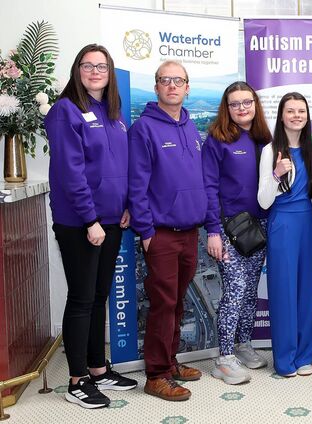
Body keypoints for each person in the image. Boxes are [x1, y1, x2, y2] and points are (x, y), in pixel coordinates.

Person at [45, 44, 137, 409]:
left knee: (100, 296)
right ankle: (77, 379)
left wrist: (125, 206)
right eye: (88, 65)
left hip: (112, 220)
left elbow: (122, 165)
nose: (95, 70)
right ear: (77, 69)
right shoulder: (65, 111)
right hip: (81, 223)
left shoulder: (113, 114)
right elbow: (71, 172)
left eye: (102, 65)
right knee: (82, 299)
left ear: (109, 71)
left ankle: (99, 369)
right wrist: (91, 219)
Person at [128, 60, 207, 401]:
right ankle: (156, 374)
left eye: (179, 80)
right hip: (160, 233)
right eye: (165, 80)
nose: (172, 85)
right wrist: (146, 231)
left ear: (187, 87)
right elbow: (137, 184)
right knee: (162, 304)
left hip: (190, 231)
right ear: (156, 87)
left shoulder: (190, 126)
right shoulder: (143, 128)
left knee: (177, 304)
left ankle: (170, 361)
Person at [203, 81, 272, 385]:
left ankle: (243, 345)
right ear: (226, 108)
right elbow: (208, 188)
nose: (242, 108)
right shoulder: (217, 140)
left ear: (255, 105)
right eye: (235, 104)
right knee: (234, 290)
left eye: (247, 102)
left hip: (260, 228)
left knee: (250, 291)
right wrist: (213, 231)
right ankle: (224, 358)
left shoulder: (265, 139)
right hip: (229, 229)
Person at [257, 92, 312, 377]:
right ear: (282, 116)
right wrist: (276, 174)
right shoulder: (271, 150)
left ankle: (304, 356)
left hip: (307, 225)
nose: (297, 115)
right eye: (291, 111)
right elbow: (263, 201)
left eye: (302, 111)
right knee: (284, 292)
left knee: (306, 291)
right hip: (282, 223)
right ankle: (284, 360)